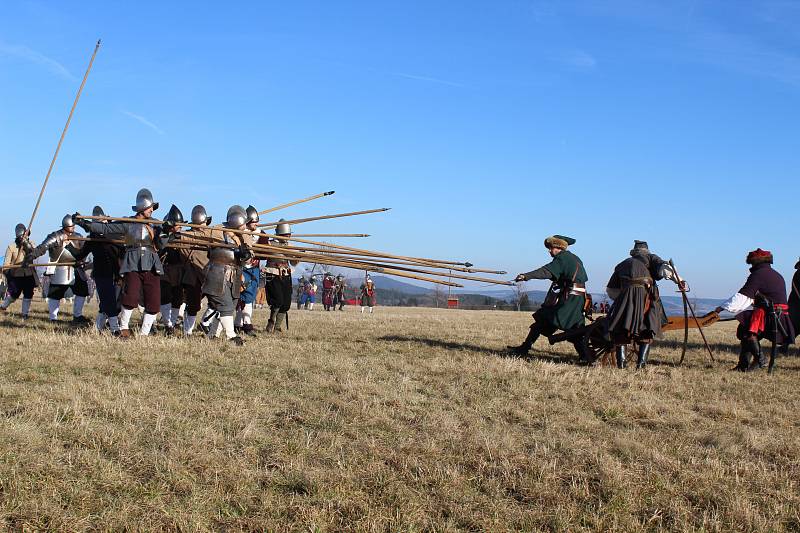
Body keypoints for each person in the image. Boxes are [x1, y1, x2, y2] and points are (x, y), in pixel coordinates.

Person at [78, 188, 167, 337]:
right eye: (150, 207)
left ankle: (144, 334)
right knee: (130, 297)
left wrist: (166, 232)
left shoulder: (156, 225)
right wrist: (85, 224)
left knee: (153, 302)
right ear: (143, 207)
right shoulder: (128, 223)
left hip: (152, 263)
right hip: (132, 262)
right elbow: (105, 228)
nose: (152, 210)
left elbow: (162, 244)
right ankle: (124, 327)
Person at [508, 235, 589, 362]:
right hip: (576, 298)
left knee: (571, 327)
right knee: (545, 321)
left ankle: (585, 356)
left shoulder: (562, 258)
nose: (549, 251)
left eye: (551, 248)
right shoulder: (573, 258)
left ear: (558, 247)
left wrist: (526, 276)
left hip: (570, 299)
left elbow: (546, 271)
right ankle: (525, 347)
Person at [713, 248, 795, 371]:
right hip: (776, 314)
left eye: (752, 263)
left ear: (756, 262)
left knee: (747, 332)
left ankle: (760, 359)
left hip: (772, 316)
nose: (751, 265)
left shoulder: (759, 274)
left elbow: (743, 296)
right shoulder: (775, 274)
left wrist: (721, 308)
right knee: (745, 329)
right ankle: (744, 365)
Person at [605, 240, 682, 369]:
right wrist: (679, 281)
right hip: (645, 297)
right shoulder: (651, 258)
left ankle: (621, 364)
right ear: (646, 251)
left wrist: (621, 299)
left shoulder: (622, 264)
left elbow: (611, 290)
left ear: (634, 252)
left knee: (621, 328)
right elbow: (665, 270)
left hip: (624, 299)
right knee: (647, 326)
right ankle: (641, 364)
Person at [23, 214, 90, 324]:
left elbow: (85, 250)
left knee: (82, 291)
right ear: (65, 226)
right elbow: (42, 248)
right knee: (55, 294)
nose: (73, 228)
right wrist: (30, 257)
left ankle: (77, 316)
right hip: (59, 268)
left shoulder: (78, 236)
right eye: (71, 226)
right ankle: (53, 318)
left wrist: (83, 260)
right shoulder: (55, 236)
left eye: (74, 226)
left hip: (76, 268)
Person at [201, 205, 252, 345]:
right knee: (225, 305)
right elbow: (203, 240)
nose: (245, 225)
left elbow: (249, 257)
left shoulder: (246, 236)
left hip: (235, 275)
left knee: (229, 305)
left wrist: (245, 253)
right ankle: (231, 336)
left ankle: (213, 334)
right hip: (218, 273)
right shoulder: (217, 231)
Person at [72, 206, 123, 334]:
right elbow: (80, 255)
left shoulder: (113, 235)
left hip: (116, 273)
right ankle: (115, 329)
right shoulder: (92, 239)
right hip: (101, 273)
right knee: (109, 300)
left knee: (110, 301)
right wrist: (69, 247)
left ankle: (98, 328)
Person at [178, 205, 212, 335]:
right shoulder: (185, 236)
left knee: (217, 302)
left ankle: (206, 324)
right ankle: (188, 331)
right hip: (192, 275)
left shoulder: (211, 235)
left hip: (208, 274)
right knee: (193, 305)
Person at [264, 219, 299, 332]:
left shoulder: (290, 245)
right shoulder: (269, 244)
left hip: (286, 274)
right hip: (273, 274)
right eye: (286, 235)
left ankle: (277, 327)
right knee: (277, 300)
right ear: (280, 234)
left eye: (289, 235)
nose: (288, 237)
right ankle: (271, 322)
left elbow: (293, 263)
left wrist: (297, 257)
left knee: (286, 303)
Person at [157, 205, 187, 335]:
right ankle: (168, 324)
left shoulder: (182, 236)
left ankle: (172, 324)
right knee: (166, 297)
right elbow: (159, 247)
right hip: (165, 269)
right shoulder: (161, 234)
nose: (180, 228)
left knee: (177, 299)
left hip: (178, 270)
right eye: (178, 225)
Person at [234, 205, 263, 336]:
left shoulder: (261, 235)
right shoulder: (238, 232)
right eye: (254, 222)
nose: (256, 224)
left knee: (249, 298)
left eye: (257, 221)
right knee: (239, 298)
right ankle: (242, 324)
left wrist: (257, 250)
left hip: (253, 270)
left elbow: (265, 252)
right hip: (240, 268)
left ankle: (243, 323)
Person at [0, 224, 38, 319]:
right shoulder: (11, 247)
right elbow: (6, 264)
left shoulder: (32, 244)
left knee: (28, 294)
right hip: (16, 274)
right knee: (13, 295)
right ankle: (3, 306)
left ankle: (25, 314)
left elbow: (35, 254)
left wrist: (26, 245)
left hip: (29, 272)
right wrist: (8, 273)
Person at [789, 257, 800, 348]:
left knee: (795, 327)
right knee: (795, 326)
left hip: (795, 303)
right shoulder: (798, 274)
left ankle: (785, 345)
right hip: (796, 304)